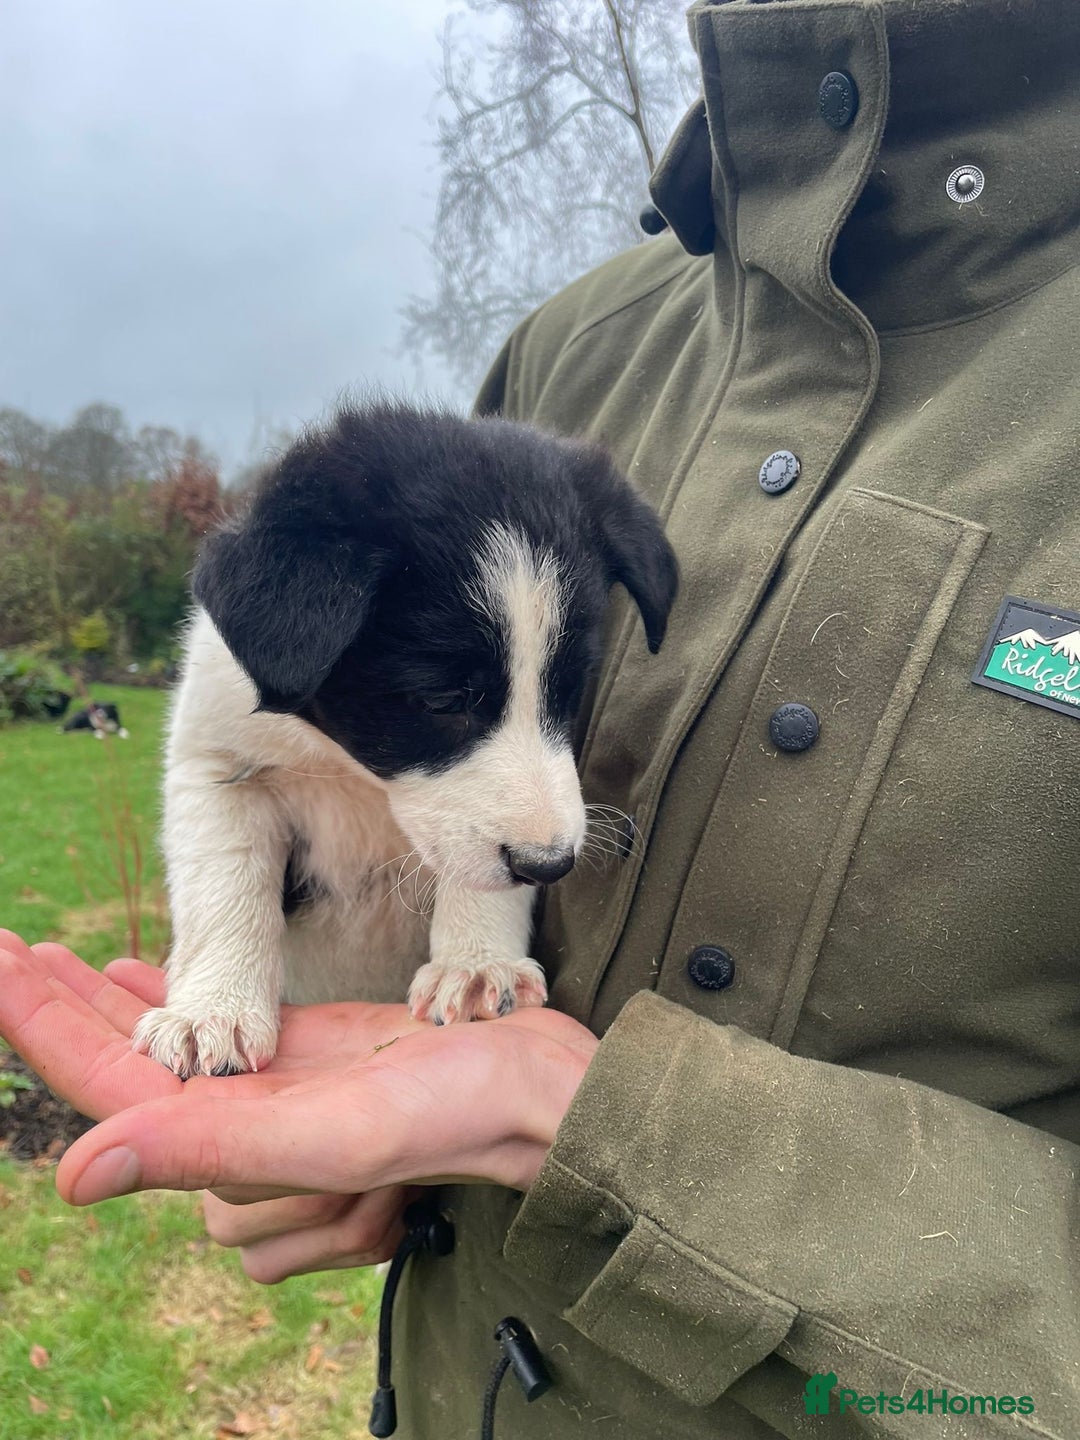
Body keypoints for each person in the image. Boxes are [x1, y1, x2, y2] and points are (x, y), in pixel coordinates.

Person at [2, 0, 1079, 1434]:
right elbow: (226, 767)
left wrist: (553, 1100)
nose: (551, 813)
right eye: (467, 702)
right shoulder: (582, 347)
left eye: (563, 702)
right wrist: (298, 1039)